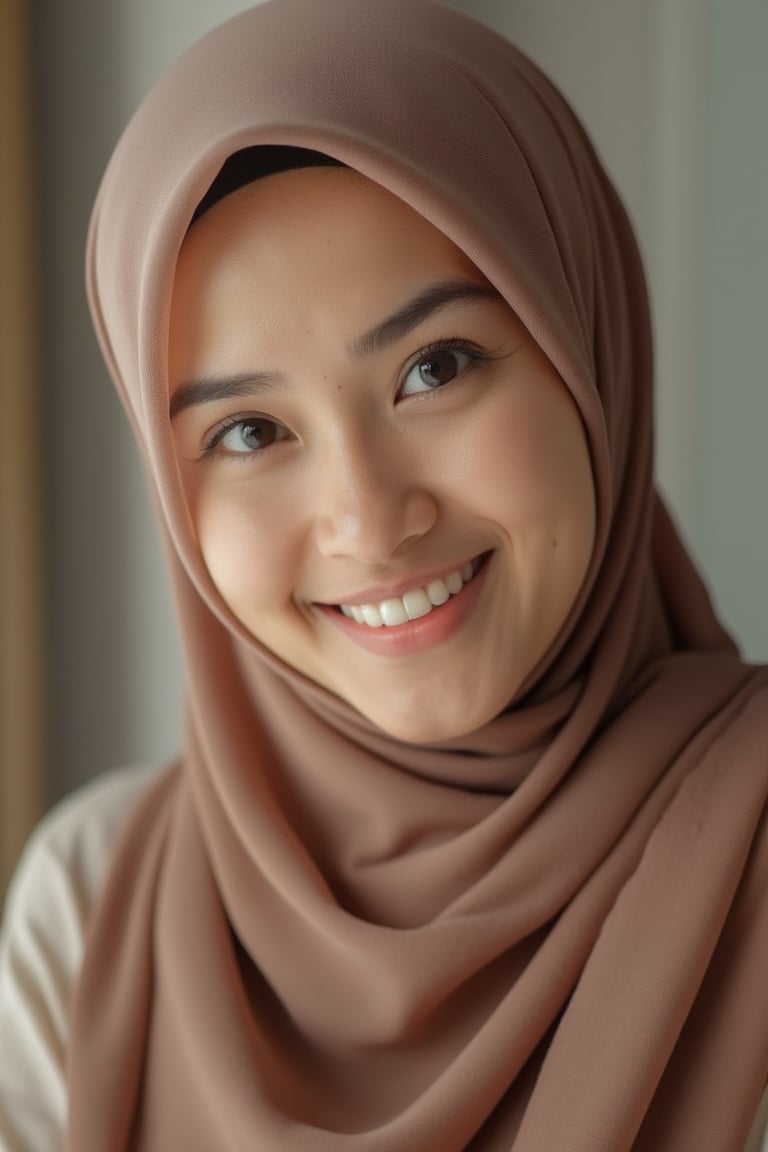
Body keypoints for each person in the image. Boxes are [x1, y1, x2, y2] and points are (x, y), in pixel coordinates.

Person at [2, 0, 768, 1148]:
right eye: (251, 434)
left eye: (436, 367)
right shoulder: (91, 900)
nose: (369, 522)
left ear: (585, 344)